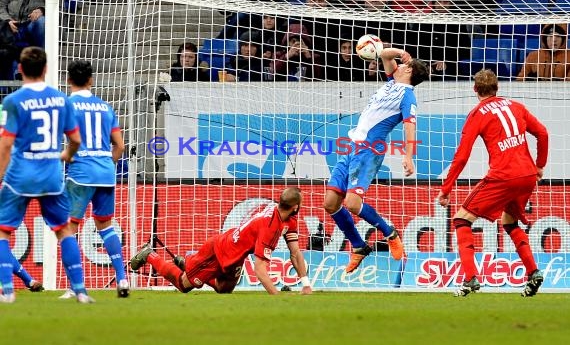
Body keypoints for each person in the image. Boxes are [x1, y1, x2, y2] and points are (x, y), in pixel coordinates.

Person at [437, 69, 549, 297]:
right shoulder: (516, 106)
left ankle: (470, 279)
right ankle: (533, 272)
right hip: (527, 175)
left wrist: (446, 189)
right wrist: (539, 165)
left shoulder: (477, 113)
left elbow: (461, 156)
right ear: (497, 88)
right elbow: (543, 133)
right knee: (510, 222)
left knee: (460, 219)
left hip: (503, 176)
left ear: (475, 89)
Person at [322, 46, 429, 273]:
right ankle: (359, 246)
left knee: (351, 203)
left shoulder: (407, 94)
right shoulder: (392, 82)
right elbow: (384, 54)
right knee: (330, 202)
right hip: (353, 146)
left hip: (369, 150)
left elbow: (411, 125)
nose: (397, 65)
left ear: (408, 71)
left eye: (403, 65)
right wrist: (401, 52)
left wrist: (409, 156)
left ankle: (390, 233)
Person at [0, 47, 92, 303]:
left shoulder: (13, 101)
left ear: (20, 69)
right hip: (51, 175)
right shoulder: (61, 99)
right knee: (63, 231)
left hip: (20, 176)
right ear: (46, 69)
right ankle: (81, 291)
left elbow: (6, 145)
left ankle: (7, 292)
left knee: (2, 232)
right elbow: (74, 139)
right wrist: (66, 155)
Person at [130, 187, 312, 295]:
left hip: (235, 254)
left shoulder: (288, 218)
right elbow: (259, 270)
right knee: (184, 285)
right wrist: (277, 295)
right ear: (295, 207)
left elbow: (295, 253)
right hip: (219, 250)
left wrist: (306, 285)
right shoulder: (270, 226)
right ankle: (150, 255)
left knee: (223, 290)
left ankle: (188, 263)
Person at [57, 60, 128, 299]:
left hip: (81, 173)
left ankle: (74, 286)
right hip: (106, 173)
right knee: (105, 226)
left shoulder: (67, 106)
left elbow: (66, 140)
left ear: (68, 80)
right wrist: (107, 165)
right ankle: (122, 278)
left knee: (68, 229)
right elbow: (120, 146)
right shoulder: (105, 107)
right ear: (91, 80)